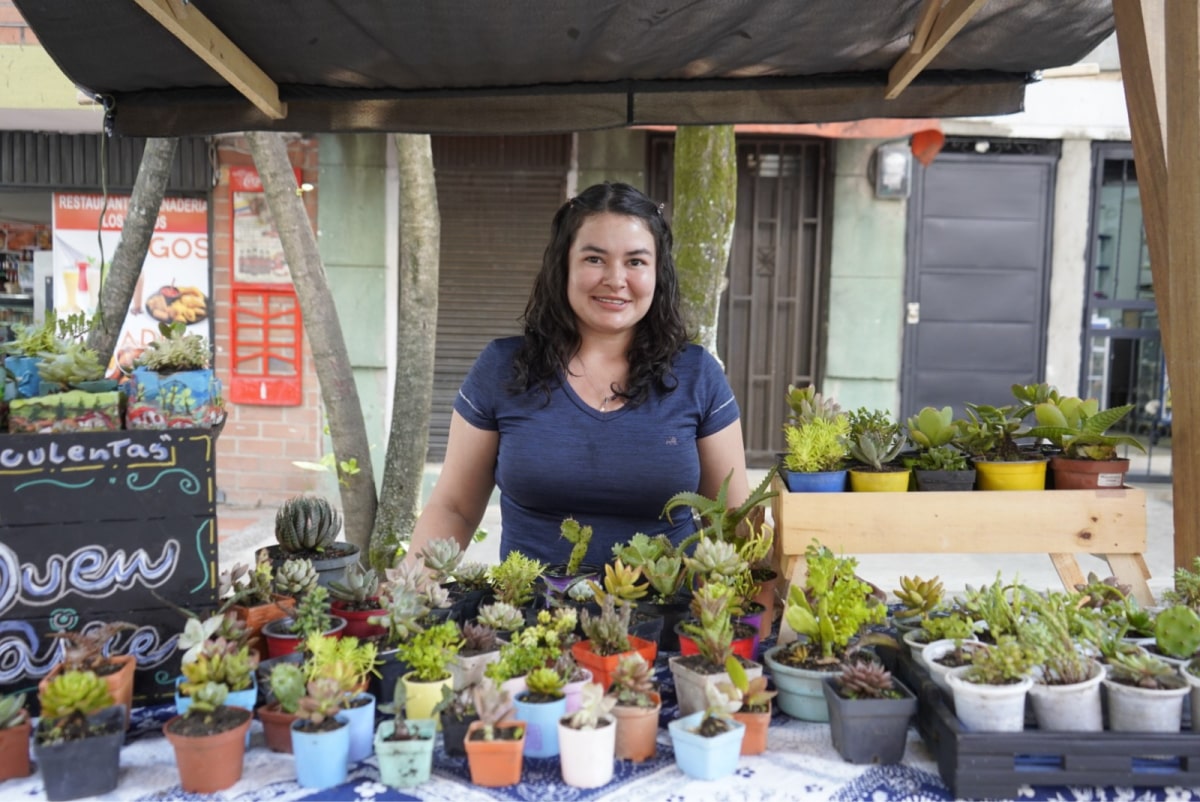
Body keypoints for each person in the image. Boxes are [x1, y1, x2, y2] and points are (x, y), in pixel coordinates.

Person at [407, 181, 750, 568]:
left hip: (667, 619)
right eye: (594, 259)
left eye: (635, 261)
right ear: (564, 265)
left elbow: (735, 525)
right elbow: (455, 508)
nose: (616, 279)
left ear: (658, 274)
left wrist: (748, 621)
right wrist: (407, 598)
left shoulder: (697, 375)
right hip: (530, 620)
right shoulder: (502, 368)